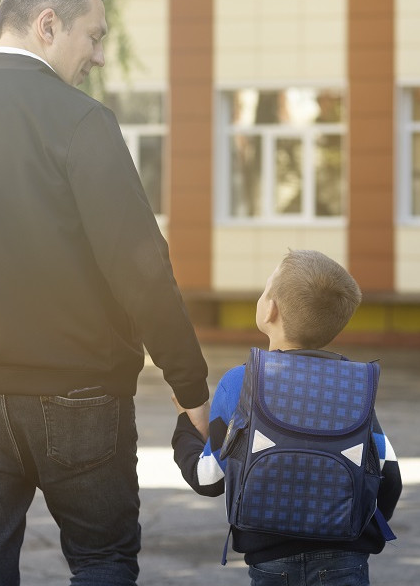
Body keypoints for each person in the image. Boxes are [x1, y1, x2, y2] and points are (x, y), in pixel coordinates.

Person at [0, 0, 210, 584]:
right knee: (102, 561)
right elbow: (140, 268)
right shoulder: (82, 120)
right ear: (48, 25)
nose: (101, 56)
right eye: (96, 35)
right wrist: (191, 388)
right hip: (80, 393)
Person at [172, 249, 402, 586]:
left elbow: (209, 479)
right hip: (346, 559)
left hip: (271, 560)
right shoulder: (353, 387)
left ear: (270, 308)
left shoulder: (242, 381)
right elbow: (390, 478)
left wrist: (184, 427)